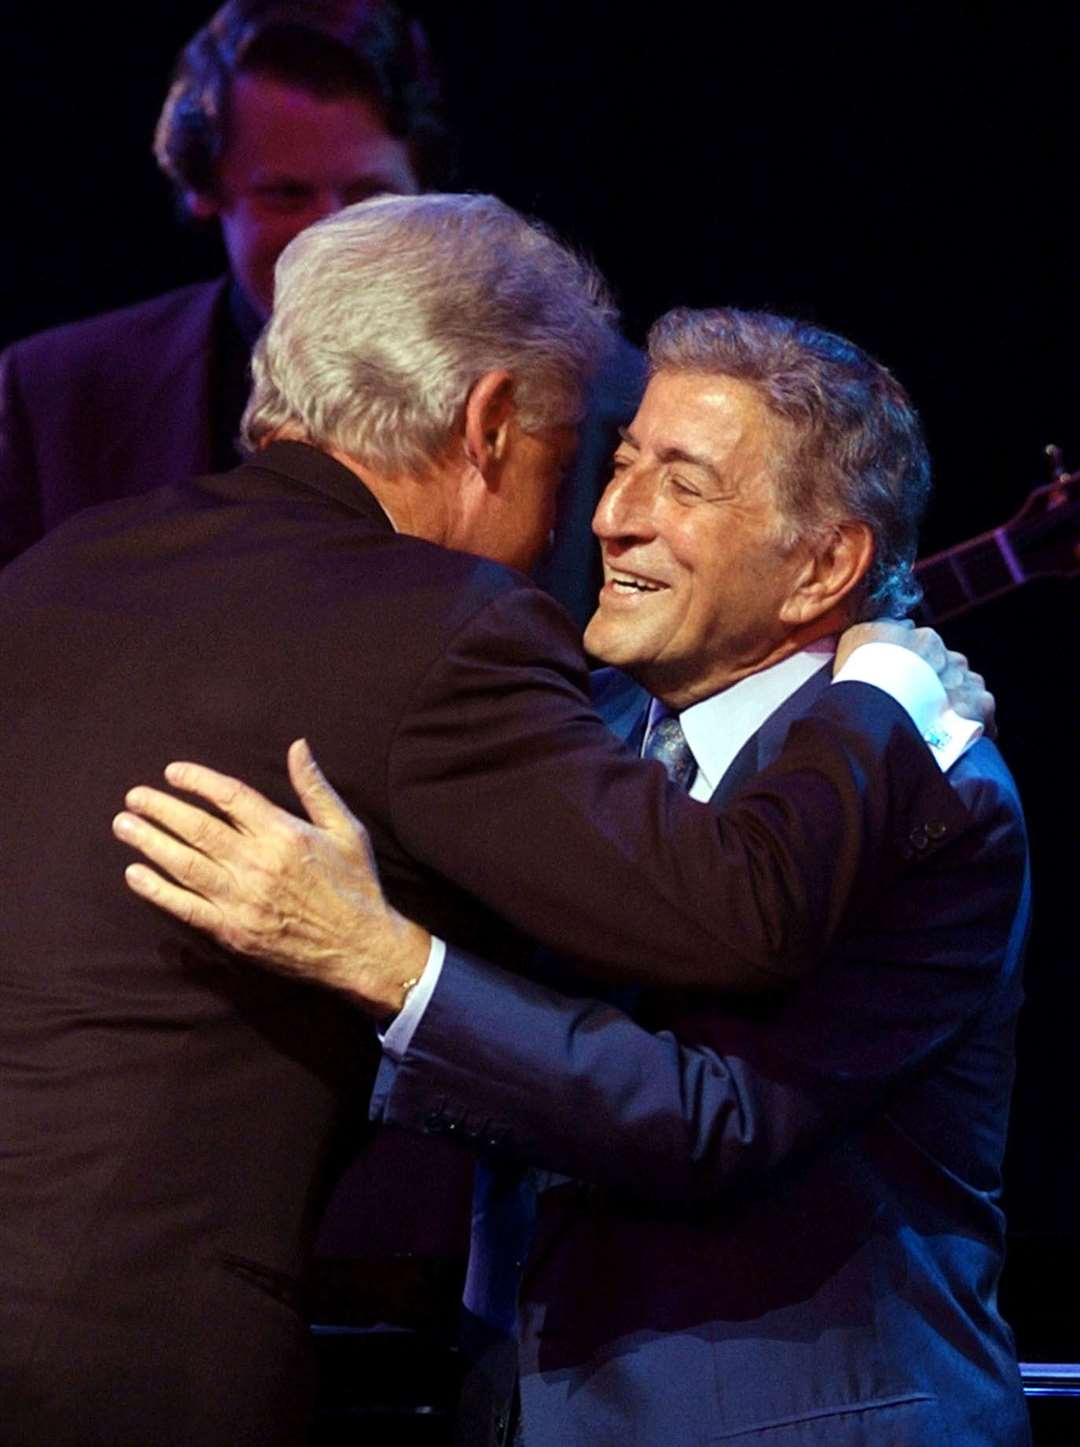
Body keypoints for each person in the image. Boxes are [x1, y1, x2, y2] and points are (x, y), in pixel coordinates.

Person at [0, 191, 982, 1446]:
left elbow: (711, 1115)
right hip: (137, 1360)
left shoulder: (57, 570)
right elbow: (731, 914)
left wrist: (380, 959)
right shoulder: (443, 624)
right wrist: (887, 688)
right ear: (490, 425)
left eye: (674, 481)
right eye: (597, 460)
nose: (607, 519)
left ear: (821, 565)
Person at [0, 0, 643, 621]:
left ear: (425, 186)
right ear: (205, 192)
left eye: (370, 193)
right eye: (286, 194)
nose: (331, 234)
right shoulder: (58, 396)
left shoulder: (602, 394)